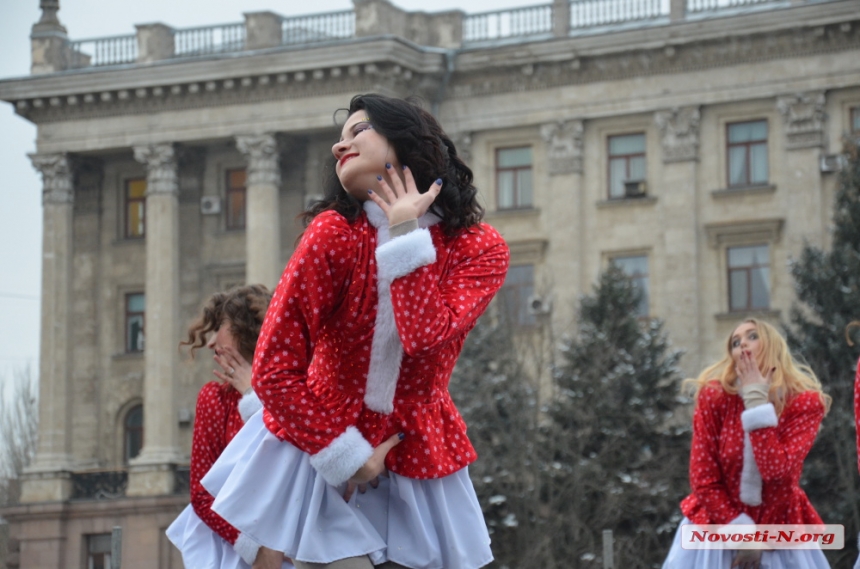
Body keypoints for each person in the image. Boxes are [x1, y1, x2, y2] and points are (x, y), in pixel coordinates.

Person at [202, 93, 510, 569]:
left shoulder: (476, 247)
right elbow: (274, 368)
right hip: (320, 454)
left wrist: (405, 231)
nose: (338, 146)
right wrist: (344, 455)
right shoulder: (333, 234)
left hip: (420, 457)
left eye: (357, 131)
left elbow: (425, 336)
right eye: (339, 137)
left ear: (406, 140)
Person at [663, 318, 831, 569]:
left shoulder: (804, 403)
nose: (743, 344)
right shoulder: (716, 397)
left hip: (780, 534)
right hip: (716, 531)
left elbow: (776, 472)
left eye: (752, 336)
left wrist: (757, 402)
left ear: (772, 346)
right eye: (735, 341)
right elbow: (703, 478)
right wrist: (741, 535)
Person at [166, 284, 293, 569]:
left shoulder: (294, 390)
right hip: (237, 553)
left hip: (300, 546)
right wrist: (254, 547)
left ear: (244, 329)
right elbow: (201, 494)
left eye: (219, 327)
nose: (210, 343)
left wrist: (254, 395)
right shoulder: (215, 398)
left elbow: (296, 460)